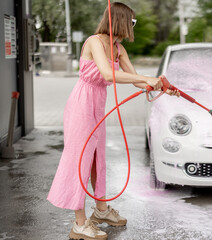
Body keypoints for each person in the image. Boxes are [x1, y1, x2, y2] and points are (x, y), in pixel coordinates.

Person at [47, 2, 179, 240]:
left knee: (98, 160)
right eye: (132, 21)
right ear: (120, 20)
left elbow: (137, 81)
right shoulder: (94, 42)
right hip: (81, 105)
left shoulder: (118, 48)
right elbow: (108, 74)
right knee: (80, 160)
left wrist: (163, 86)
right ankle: (79, 224)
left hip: (97, 106)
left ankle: (101, 210)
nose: (133, 26)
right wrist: (147, 77)